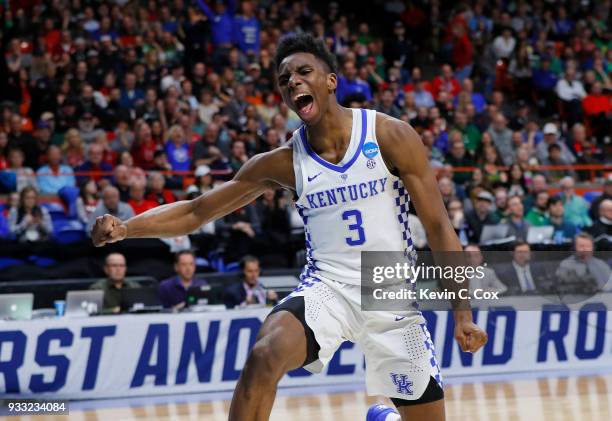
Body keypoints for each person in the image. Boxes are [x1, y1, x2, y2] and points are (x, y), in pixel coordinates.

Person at [91, 34, 487, 421]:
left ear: (331, 81)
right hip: (327, 288)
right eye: (285, 79)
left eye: (303, 72)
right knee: (265, 354)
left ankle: (384, 415)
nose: (293, 81)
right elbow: (197, 211)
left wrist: (462, 314)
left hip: (390, 291)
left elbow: (438, 227)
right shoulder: (283, 161)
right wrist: (126, 228)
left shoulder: (390, 136)